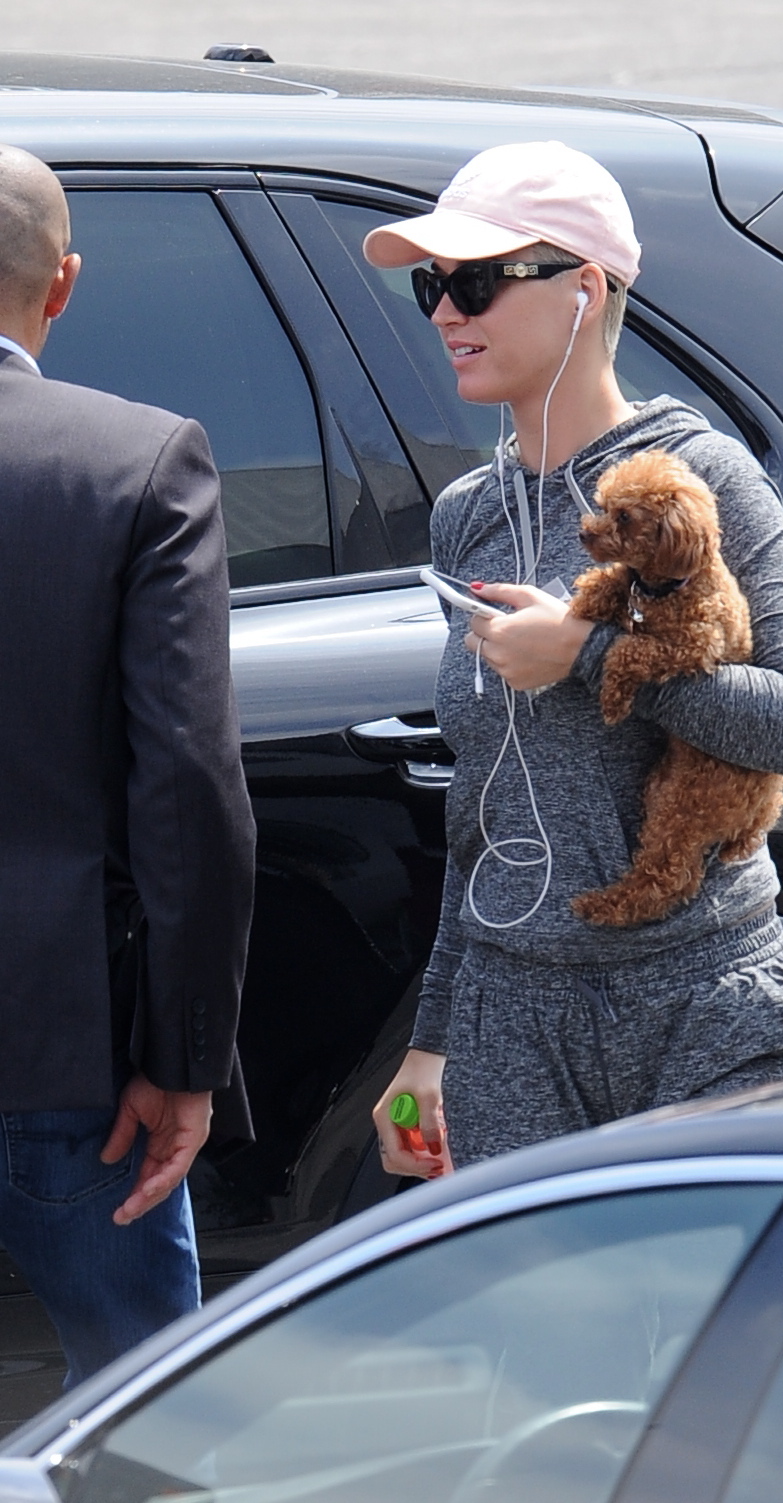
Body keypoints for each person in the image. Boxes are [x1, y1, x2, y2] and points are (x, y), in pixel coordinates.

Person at [367, 140, 783, 1175]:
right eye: (431, 285)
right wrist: (431, 1043)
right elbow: (486, 806)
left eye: (477, 282)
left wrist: (587, 653)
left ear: (583, 289)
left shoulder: (697, 479)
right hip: (510, 1018)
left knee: (716, 1287)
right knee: (530, 1289)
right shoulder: (469, 513)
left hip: (698, 1002)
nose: (445, 312)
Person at [0, 145, 256, 1384]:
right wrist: (184, 1059)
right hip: (71, 1055)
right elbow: (188, 791)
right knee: (147, 1414)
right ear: (64, 283)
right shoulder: (137, 463)